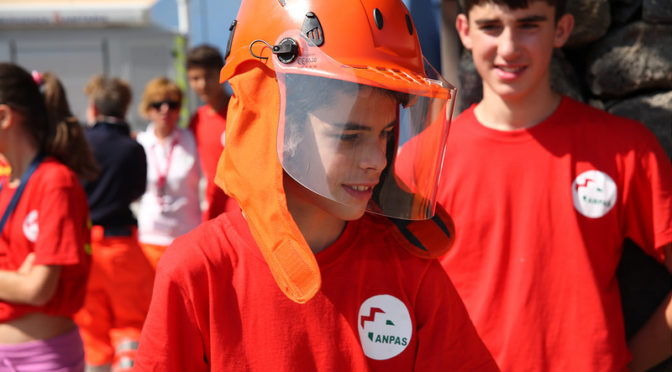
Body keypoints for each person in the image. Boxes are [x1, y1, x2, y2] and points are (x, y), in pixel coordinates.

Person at [134, 0, 499, 370]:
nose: (379, 159)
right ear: (275, 123)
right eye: (349, 136)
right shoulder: (199, 270)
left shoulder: (407, 265)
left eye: (387, 134)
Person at [434, 0, 672, 370]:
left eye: (529, 25)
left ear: (561, 30)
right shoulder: (425, 160)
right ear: (464, 30)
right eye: (491, 27)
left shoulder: (626, 149)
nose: (509, 47)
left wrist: (629, 362)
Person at [0, 64, 97, 371]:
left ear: (4, 117)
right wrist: (16, 279)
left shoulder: (55, 181)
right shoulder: (5, 184)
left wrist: (22, 281)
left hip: (43, 359)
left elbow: (38, 290)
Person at [74, 75, 155, 371]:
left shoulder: (80, 144)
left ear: (93, 108)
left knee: (91, 327)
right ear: (125, 108)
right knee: (131, 323)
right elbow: (138, 191)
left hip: (85, 247)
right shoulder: (132, 148)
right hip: (122, 246)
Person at [135, 77, 201, 269]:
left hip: (186, 236)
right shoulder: (140, 143)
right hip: (149, 236)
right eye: (158, 105)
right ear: (148, 110)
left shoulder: (191, 139)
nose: (165, 109)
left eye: (172, 105)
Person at [186, 44, 238, 221]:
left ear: (221, 73)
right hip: (211, 211)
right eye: (195, 78)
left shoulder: (240, 110)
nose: (202, 84)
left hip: (242, 210)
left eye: (208, 76)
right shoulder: (196, 120)